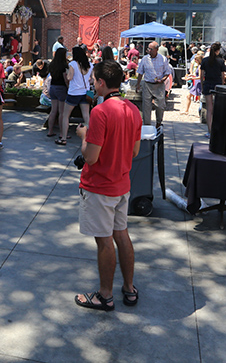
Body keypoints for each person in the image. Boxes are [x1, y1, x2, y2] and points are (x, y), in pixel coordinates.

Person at [74, 60, 142, 312]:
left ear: (101, 82)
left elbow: (91, 157)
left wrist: (83, 137)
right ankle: (129, 288)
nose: (92, 84)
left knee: (104, 242)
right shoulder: (133, 110)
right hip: (122, 185)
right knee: (121, 235)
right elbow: (134, 151)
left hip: (100, 188)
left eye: (94, 80)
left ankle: (105, 295)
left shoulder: (100, 113)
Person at [57, 46, 92, 146]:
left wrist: (68, 72)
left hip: (74, 92)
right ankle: (89, 137)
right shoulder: (89, 64)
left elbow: (69, 77)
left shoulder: (73, 64)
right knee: (86, 116)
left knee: (65, 115)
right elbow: (92, 79)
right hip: (86, 92)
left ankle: (63, 138)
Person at [136, 41, 173, 128]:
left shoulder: (163, 59)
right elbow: (140, 72)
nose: (149, 50)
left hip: (159, 85)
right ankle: (147, 125)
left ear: (157, 49)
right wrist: (138, 84)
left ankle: (158, 122)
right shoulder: (145, 59)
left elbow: (167, 72)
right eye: (148, 48)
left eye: (151, 49)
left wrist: (162, 80)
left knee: (160, 106)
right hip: (147, 84)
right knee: (146, 106)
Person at [200, 42, 226, 138]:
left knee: (209, 109)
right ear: (218, 51)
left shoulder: (205, 60)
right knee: (217, 108)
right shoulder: (221, 61)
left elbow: (201, 75)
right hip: (217, 85)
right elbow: (222, 76)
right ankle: (217, 130)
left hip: (208, 83)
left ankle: (209, 131)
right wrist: (222, 84)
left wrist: (201, 86)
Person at [47, 47, 68, 138]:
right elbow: (65, 79)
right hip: (61, 88)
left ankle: (50, 131)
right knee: (62, 112)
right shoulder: (64, 65)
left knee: (53, 111)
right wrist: (68, 88)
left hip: (53, 87)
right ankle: (62, 133)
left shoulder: (52, 64)